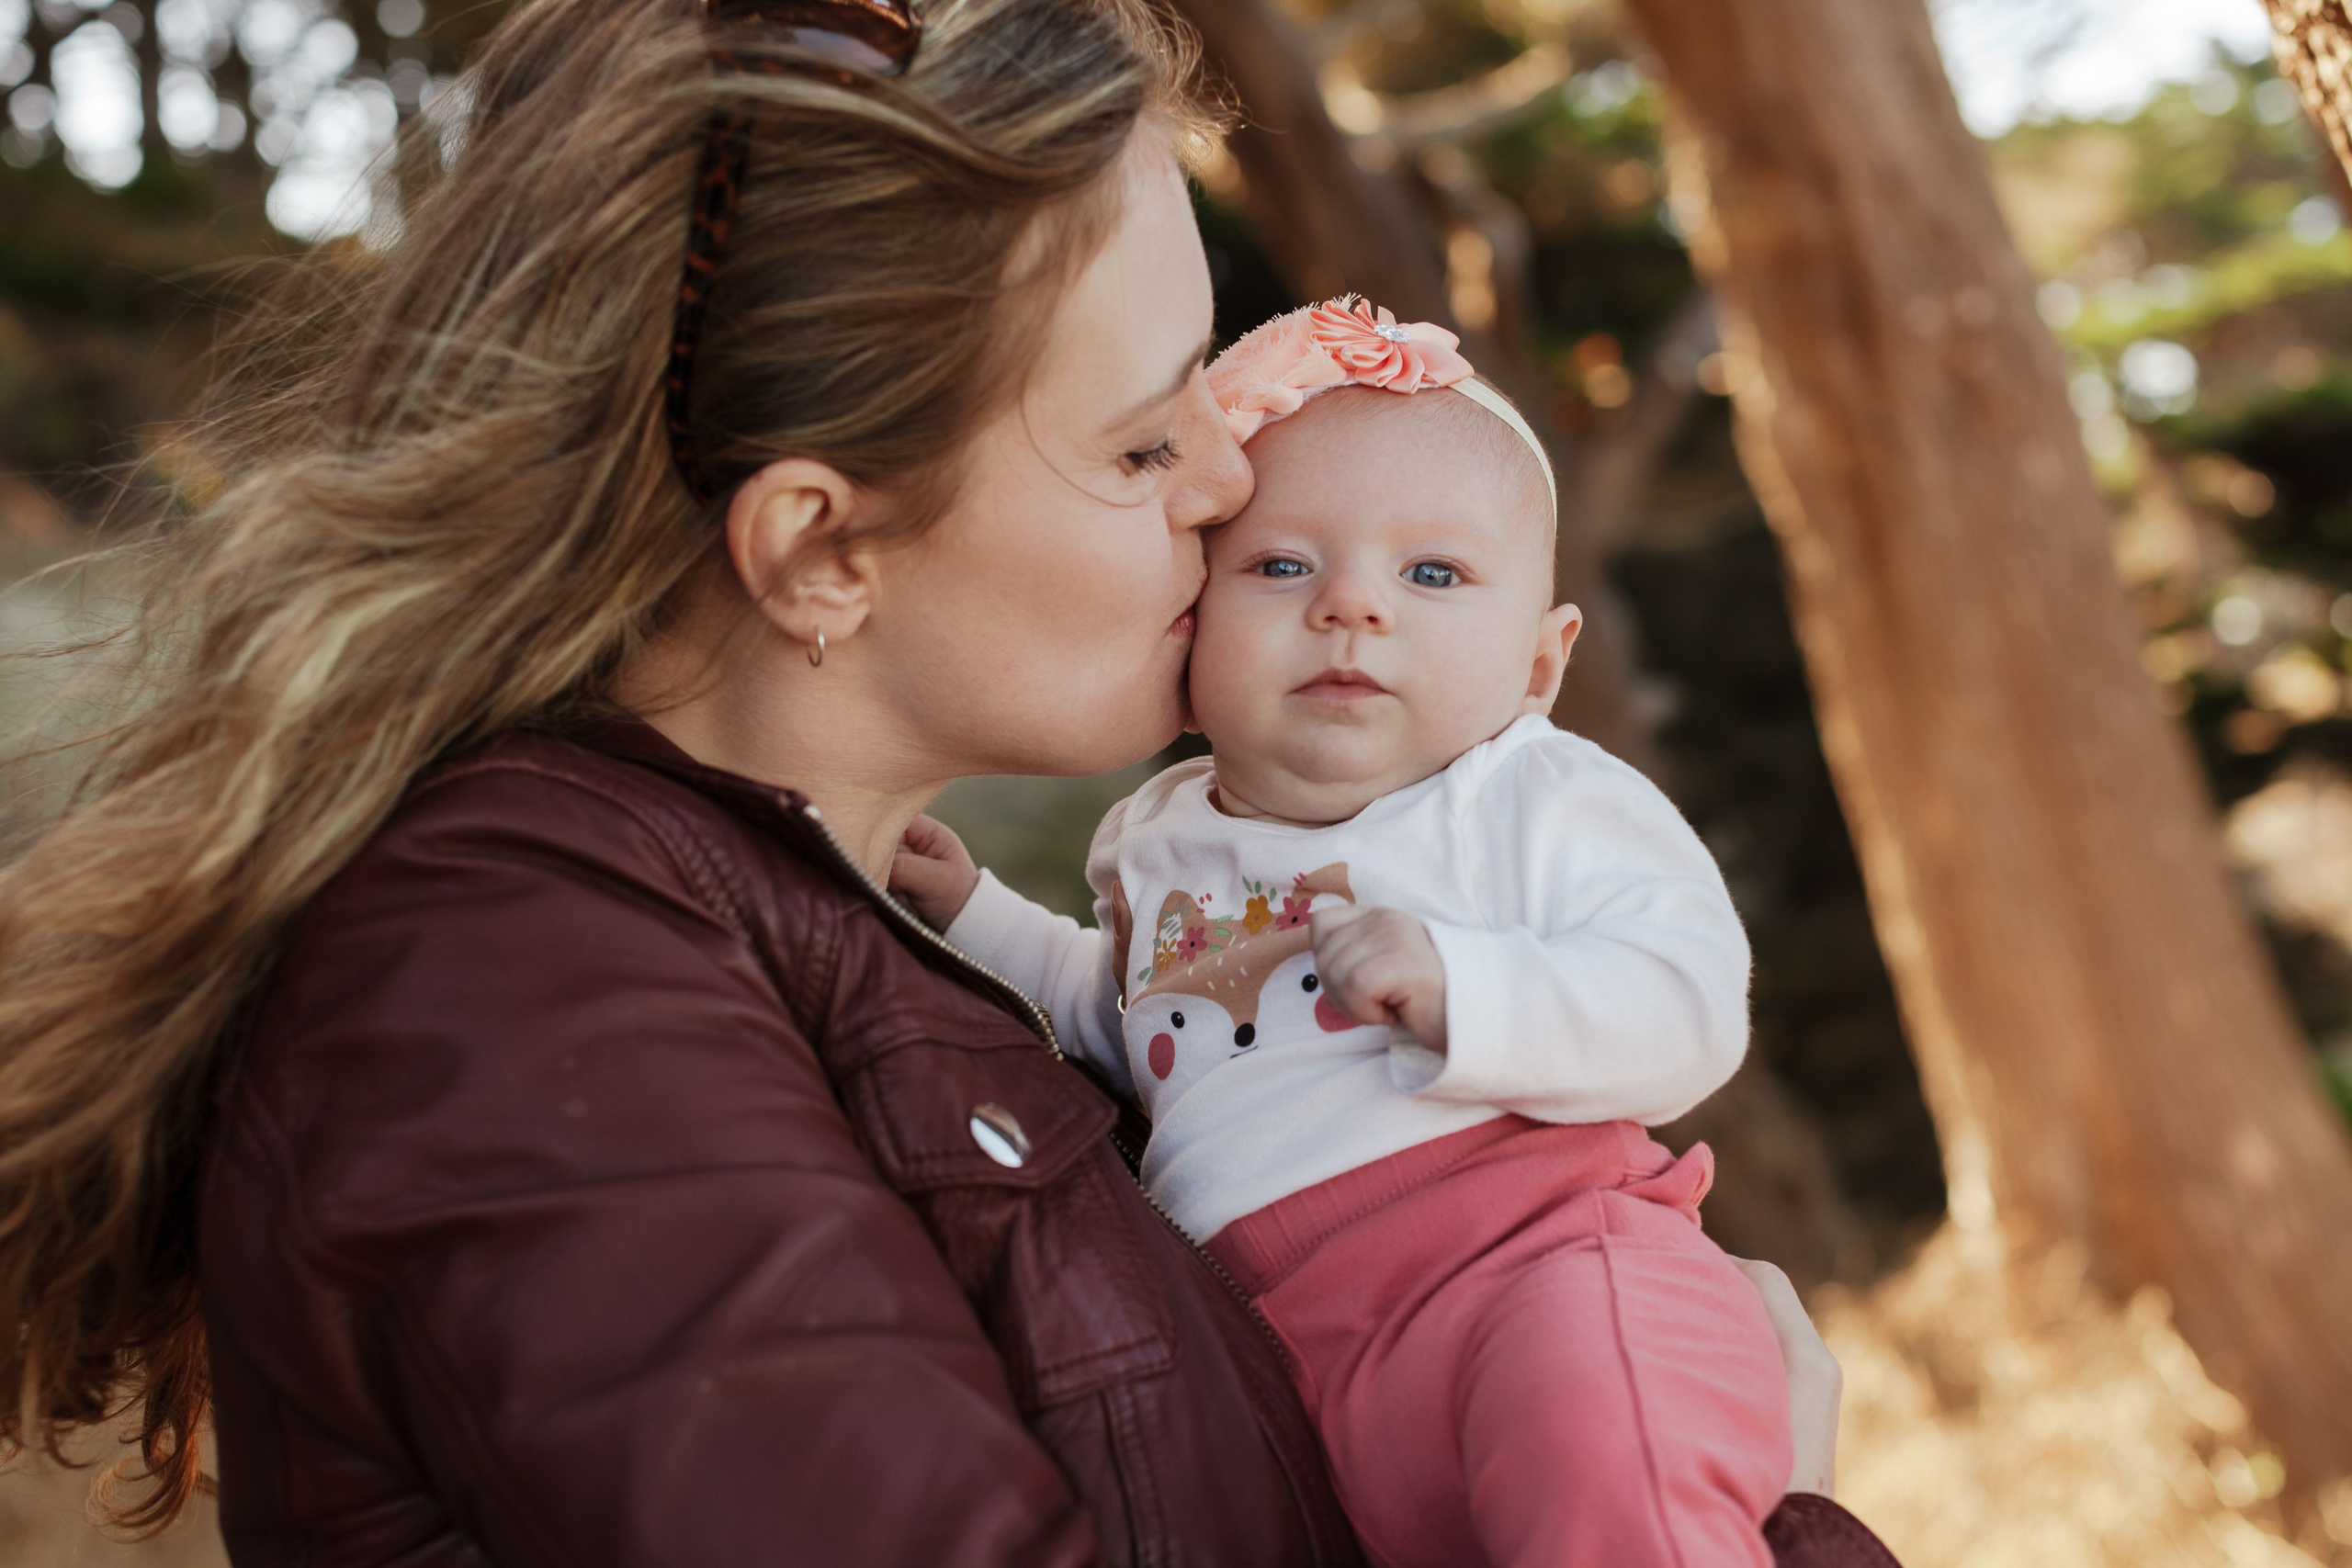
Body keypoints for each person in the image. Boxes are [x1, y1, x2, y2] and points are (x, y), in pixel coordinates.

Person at [0, 0, 1893, 1562]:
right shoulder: (517, 986)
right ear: (821, 548)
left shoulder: (820, 942)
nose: (1239, 497)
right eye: (1149, 443)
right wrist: (1787, 1508)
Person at [893, 299, 1789, 1566]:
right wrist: (976, 913)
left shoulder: (1527, 793)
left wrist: (1466, 985)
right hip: (1284, 1335)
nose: (1353, 608)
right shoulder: (1161, 840)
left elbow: (1690, 1001)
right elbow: (1141, 1023)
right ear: (1191, 627)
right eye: (1281, 565)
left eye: (1433, 574)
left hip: (1529, 1262)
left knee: (1603, 1480)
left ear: (1538, 666)